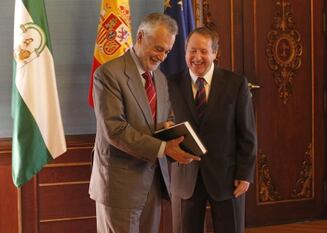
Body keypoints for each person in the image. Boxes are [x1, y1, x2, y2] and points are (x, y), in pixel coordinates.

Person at [89, 13, 199, 233]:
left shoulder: (159, 78)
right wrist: (163, 147)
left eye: (167, 51)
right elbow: (115, 130)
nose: (162, 57)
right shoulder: (108, 74)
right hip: (119, 185)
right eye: (158, 48)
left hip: (153, 182)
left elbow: (165, 118)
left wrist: (170, 128)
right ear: (140, 37)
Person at [168, 27, 257, 233]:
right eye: (192, 50)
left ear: (215, 53)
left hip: (228, 179)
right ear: (184, 51)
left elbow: (248, 133)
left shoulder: (235, 84)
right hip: (185, 178)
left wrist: (245, 173)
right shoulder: (169, 84)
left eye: (203, 51)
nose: (197, 57)